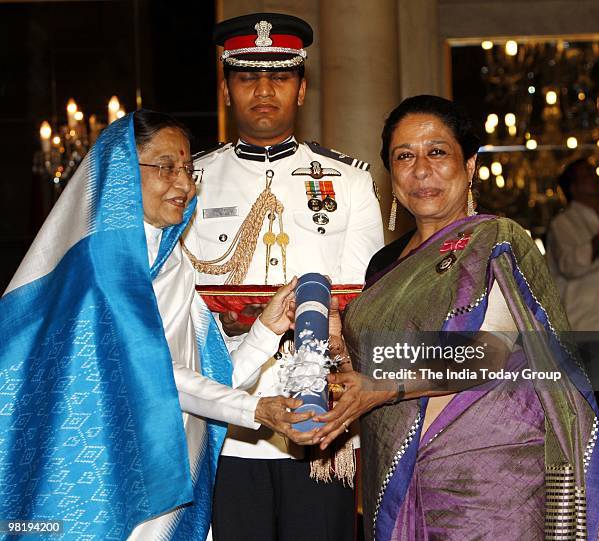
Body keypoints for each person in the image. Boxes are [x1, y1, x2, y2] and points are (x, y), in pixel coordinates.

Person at [0, 110, 319, 540]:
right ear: (120, 174)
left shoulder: (174, 263)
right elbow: (153, 375)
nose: (185, 184)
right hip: (104, 479)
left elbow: (210, 379)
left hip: (169, 482)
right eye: (165, 167)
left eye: (187, 168)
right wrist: (255, 410)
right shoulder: (97, 269)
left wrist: (267, 328)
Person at [312, 95, 599, 540]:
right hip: (396, 475)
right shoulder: (383, 265)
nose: (421, 169)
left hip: (489, 479)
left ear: (469, 165)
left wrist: (380, 386)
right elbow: (366, 364)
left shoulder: (498, 241)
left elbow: (490, 351)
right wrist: (333, 349)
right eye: (404, 156)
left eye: (437, 152)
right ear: (391, 174)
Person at [182, 12, 384, 541]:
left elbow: (363, 303)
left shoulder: (350, 181)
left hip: (322, 425)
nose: (264, 89)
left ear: (301, 88)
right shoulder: (190, 180)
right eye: (247, 77)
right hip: (226, 423)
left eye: (280, 76)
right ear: (226, 89)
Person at [547, 158, 599, 432]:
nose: (596, 179)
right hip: (588, 331)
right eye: (588, 175)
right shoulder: (563, 224)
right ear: (573, 187)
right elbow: (571, 264)